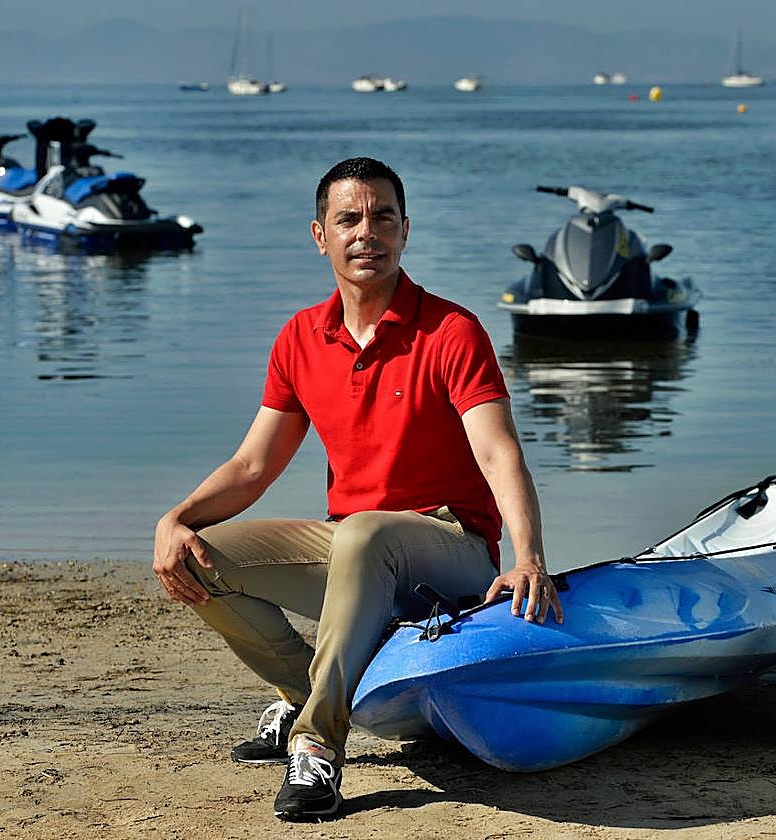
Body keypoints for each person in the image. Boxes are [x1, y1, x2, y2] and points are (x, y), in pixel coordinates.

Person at [152, 156, 562, 822]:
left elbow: (497, 451)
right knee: (202, 557)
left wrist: (526, 556)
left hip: (451, 547)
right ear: (321, 235)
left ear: (405, 232)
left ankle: (315, 747)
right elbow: (254, 466)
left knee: (367, 529)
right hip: (354, 551)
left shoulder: (451, 331)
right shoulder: (300, 338)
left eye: (382, 218)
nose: (365, 233)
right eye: (348, 219)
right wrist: (177, 519)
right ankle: (312, 690)